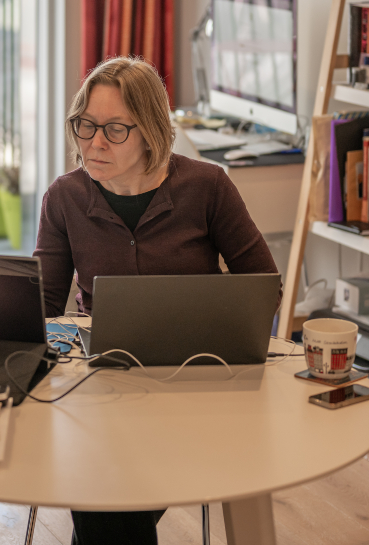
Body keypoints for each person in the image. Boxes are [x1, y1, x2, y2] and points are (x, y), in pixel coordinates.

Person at [33, 56, 279, 545]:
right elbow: (40, 305)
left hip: (198, 384)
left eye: (114, 130)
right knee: (106, 490)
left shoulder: (207, 187)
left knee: (110, 501)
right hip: (101, 387)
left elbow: (263, 284)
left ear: (149, 131)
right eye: (85, 125)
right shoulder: (63, 198)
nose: (94, 143)